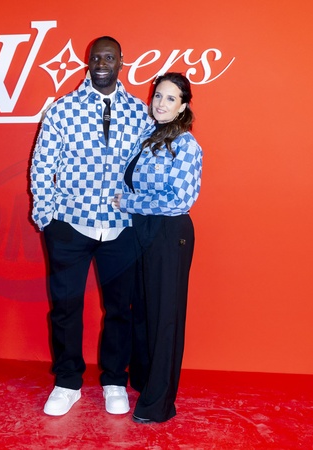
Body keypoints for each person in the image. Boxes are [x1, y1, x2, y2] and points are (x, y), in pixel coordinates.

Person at [30, 36, 150, 416]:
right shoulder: (63, 109)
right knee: (65, 308)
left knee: (120, 310)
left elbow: (149, 167)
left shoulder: (139, 112)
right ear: (88, 61)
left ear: (121, 62)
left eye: (109, 57)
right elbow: (42, 165)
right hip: (70, 224)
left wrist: (141, 211)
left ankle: (114, 380)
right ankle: (67, 382)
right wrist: (46, 217)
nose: (101, 63)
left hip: (121, 227)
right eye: (96, 57)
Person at [113, 72, 203, 423]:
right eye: (158, 96)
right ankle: (143, 379)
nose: (161, 103)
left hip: (169, 233)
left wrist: (130, 203)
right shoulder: (147, 136)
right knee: (142, 310)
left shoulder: (186, 144)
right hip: (141, 230)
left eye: (170, 98)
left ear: (183, 107)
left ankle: (158, 404)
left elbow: (180, 200)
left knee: (165, 316)